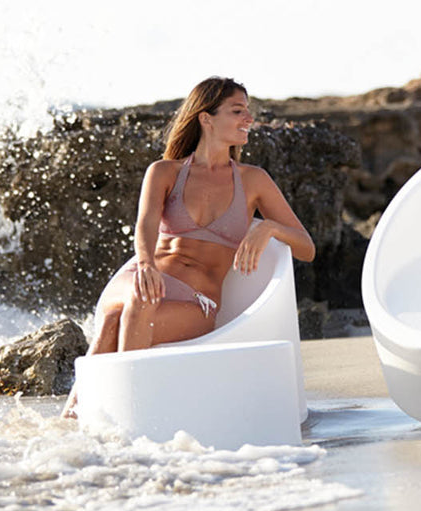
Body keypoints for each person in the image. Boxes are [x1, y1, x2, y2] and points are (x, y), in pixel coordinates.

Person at [61, 76, 315, 418]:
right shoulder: (164, 172)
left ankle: (121, 417)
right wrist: (147, 263)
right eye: (238, 111)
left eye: (248, 112)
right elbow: (146, 224)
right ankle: (77, 420)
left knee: (124, 315)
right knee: (122, 310)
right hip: (148, 277)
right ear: (206, 118)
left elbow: (306, 248)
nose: (249, 120)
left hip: (196, 301)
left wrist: (269, 227)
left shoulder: (253, 180)